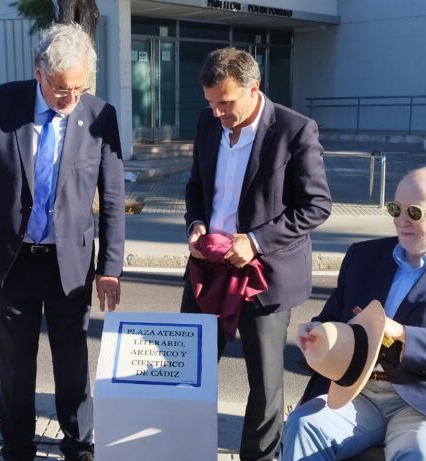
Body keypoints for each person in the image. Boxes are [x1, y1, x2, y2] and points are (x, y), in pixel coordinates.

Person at [0, 23, 125, 461]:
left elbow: (111, 197)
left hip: (68, 264)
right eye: (60, 88)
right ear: (38, 73)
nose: (69, 98)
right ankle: (17, 447)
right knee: (15, 365)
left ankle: (78, 444)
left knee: (72, 365)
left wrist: (110, 268)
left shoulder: (100, 114)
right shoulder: (0, 104)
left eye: (79, 87)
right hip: (13, 261)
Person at [283, 166, 426, 460]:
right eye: (395, 209)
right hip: (355, 392)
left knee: (420, 451)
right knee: (304, 426)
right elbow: (332, 319)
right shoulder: (363, 257)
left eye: (414, 212)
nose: (401, 221)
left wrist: (404, 336)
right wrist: (315, 334)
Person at [181, 46, 332, 461]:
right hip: (207, 270)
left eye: (225, 103)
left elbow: (316, 205)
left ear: (254, 87)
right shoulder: (208, 123)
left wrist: (256, 241)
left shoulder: (295, 130)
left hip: (263, 275)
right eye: (211, 104)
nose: (217, 114)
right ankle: (184, 450)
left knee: (265, 387)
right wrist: (195, 225)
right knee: (188, 374)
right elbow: (195, 187)